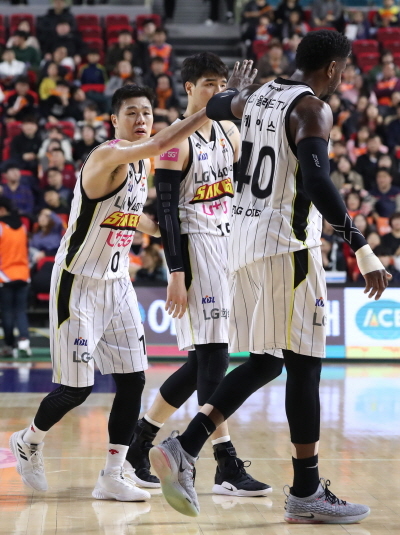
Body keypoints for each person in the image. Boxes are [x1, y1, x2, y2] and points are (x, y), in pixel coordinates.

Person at [149, 33, 391, 522]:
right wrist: (361, 246)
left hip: (242, 245)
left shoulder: (256, 95)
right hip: (287, 247)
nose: (343, 77)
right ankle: (305, 492)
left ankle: (185, 446)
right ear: (332, 67)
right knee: (305, 366)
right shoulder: (312, 109)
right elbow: (318, 180)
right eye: (343, 69)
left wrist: (232, 93)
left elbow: (217, 105)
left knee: (265, 362)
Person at [8, 84, 213, 501]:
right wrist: (209, 111)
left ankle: (112, 475)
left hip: (117, 285)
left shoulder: (139, 165)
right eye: (132, 113)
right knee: (76, 389)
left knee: (133, 381)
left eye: (147, 113)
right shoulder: (107, 155)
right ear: (114, 121)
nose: (141, 120)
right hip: (78, 282)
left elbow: (131, 215)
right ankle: (28, 441)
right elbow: (159, 144)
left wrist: (166, 228)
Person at [126, 52, 269, 497]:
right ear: (189, 88)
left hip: (228, 248)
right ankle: (224, 463)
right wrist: (176, 272)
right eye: (209, 84)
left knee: (198, 364)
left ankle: (139, 443)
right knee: (215, 357)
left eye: (222, 85)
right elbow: (167, 214)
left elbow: (245, 187)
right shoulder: (175, 141)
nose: (217, 91)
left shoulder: (228, 132)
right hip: (196, 250)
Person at [0, 197, 31, 358]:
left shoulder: (1, 226)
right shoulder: (22, 227)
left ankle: (9, 345)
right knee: (20, 311)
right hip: (23, 274)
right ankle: (24, 342)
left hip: (5, 275)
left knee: (7, 312)